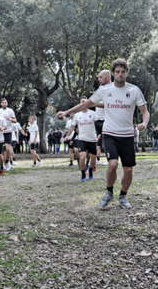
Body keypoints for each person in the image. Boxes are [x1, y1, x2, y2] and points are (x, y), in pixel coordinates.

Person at [56, 58, 150, 209]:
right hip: (110, 133)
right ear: (112, 74)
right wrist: (66, 112)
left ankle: (123, 196)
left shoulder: (134, 90)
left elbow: (145, 112)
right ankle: (109, 192)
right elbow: (85, 105)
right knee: (112, 164)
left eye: (123, 72)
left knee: (128, 169)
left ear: (126, 73)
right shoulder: (105, 90)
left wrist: (144, 123)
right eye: (117, 72)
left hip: (127, 135)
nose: (120, 74)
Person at [65, 97, 98, 181]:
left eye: (85, 102)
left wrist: (100, 134)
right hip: (82, 139)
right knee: (82, 157)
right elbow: (72, 127)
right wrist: (67, 135)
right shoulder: (77, 115)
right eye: (81, 102)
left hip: (92, 139)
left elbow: (99, 124)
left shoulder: (93, 113)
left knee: (93, 159)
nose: (83, 103)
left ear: (88, 103)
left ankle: (90, 169)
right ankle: (83, 173)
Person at [94, 70, 110, 165]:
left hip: (106, 120)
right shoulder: (100, 88)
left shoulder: (111, 88)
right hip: (98, 120)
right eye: (98, 77)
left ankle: (110, 159)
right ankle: (98, 158)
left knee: (107, 139)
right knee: (101, 141)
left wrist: (91, 103)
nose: (98, 79)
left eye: (101, 77)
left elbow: (109, 104)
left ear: (108, 77)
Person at [0, 98, 17, 171]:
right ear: (1, 104)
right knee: (2, 151)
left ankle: (7, 163)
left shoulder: (10, 110)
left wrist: (11, 119)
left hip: (9, 131)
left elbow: (15, 121)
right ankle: (0, 165)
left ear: (7, 103)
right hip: (1, 132)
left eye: (5, 102)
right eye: (3, 103)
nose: (4, 104)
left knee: (8, 149)